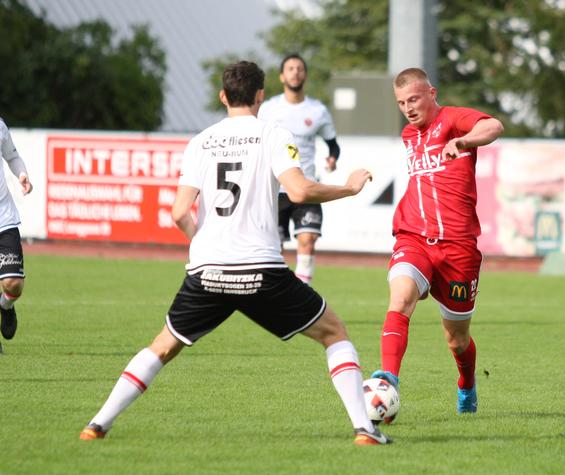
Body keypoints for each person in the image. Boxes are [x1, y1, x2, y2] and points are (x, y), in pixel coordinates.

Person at [79, 61, 391, 446]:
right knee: (334, 333)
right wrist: (347, 188)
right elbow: (297, 191)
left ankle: (97, 424)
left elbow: (178, 212)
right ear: (261, 96)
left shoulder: (200, 141)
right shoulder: (274, 134)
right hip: (260, 269)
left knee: (162, 346)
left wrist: (199, 244)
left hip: (208, 270)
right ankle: (364, 429)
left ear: (223, 96)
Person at [371, 68, 504, 414]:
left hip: (459, 248)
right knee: (400, 299)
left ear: (432, 92)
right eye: (401, 103)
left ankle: (467, 384)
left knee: (456, 340)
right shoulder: (408, 135)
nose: (408, 108)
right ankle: (388, 379)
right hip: (414, 236)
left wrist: (463, 142)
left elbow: (494, 126)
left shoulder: (453, 119)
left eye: (413, 99)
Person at [258, 53, 340, 284]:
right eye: (290, 68)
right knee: (274, 247)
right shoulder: (268, 109)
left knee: (308, 239)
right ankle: (279, 293)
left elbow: (333, 144)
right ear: (282, 76)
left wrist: (332, 158)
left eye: (299, 68)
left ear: (305, 74)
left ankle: (303, 292)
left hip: (307, 187)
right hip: (276, 189)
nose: (295, 72)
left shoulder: (317, 110)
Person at [0, 118, 34, 349]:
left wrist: (22, 174)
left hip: (3, 218)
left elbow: (12, 156)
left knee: (13, 284)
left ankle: (5, 307)